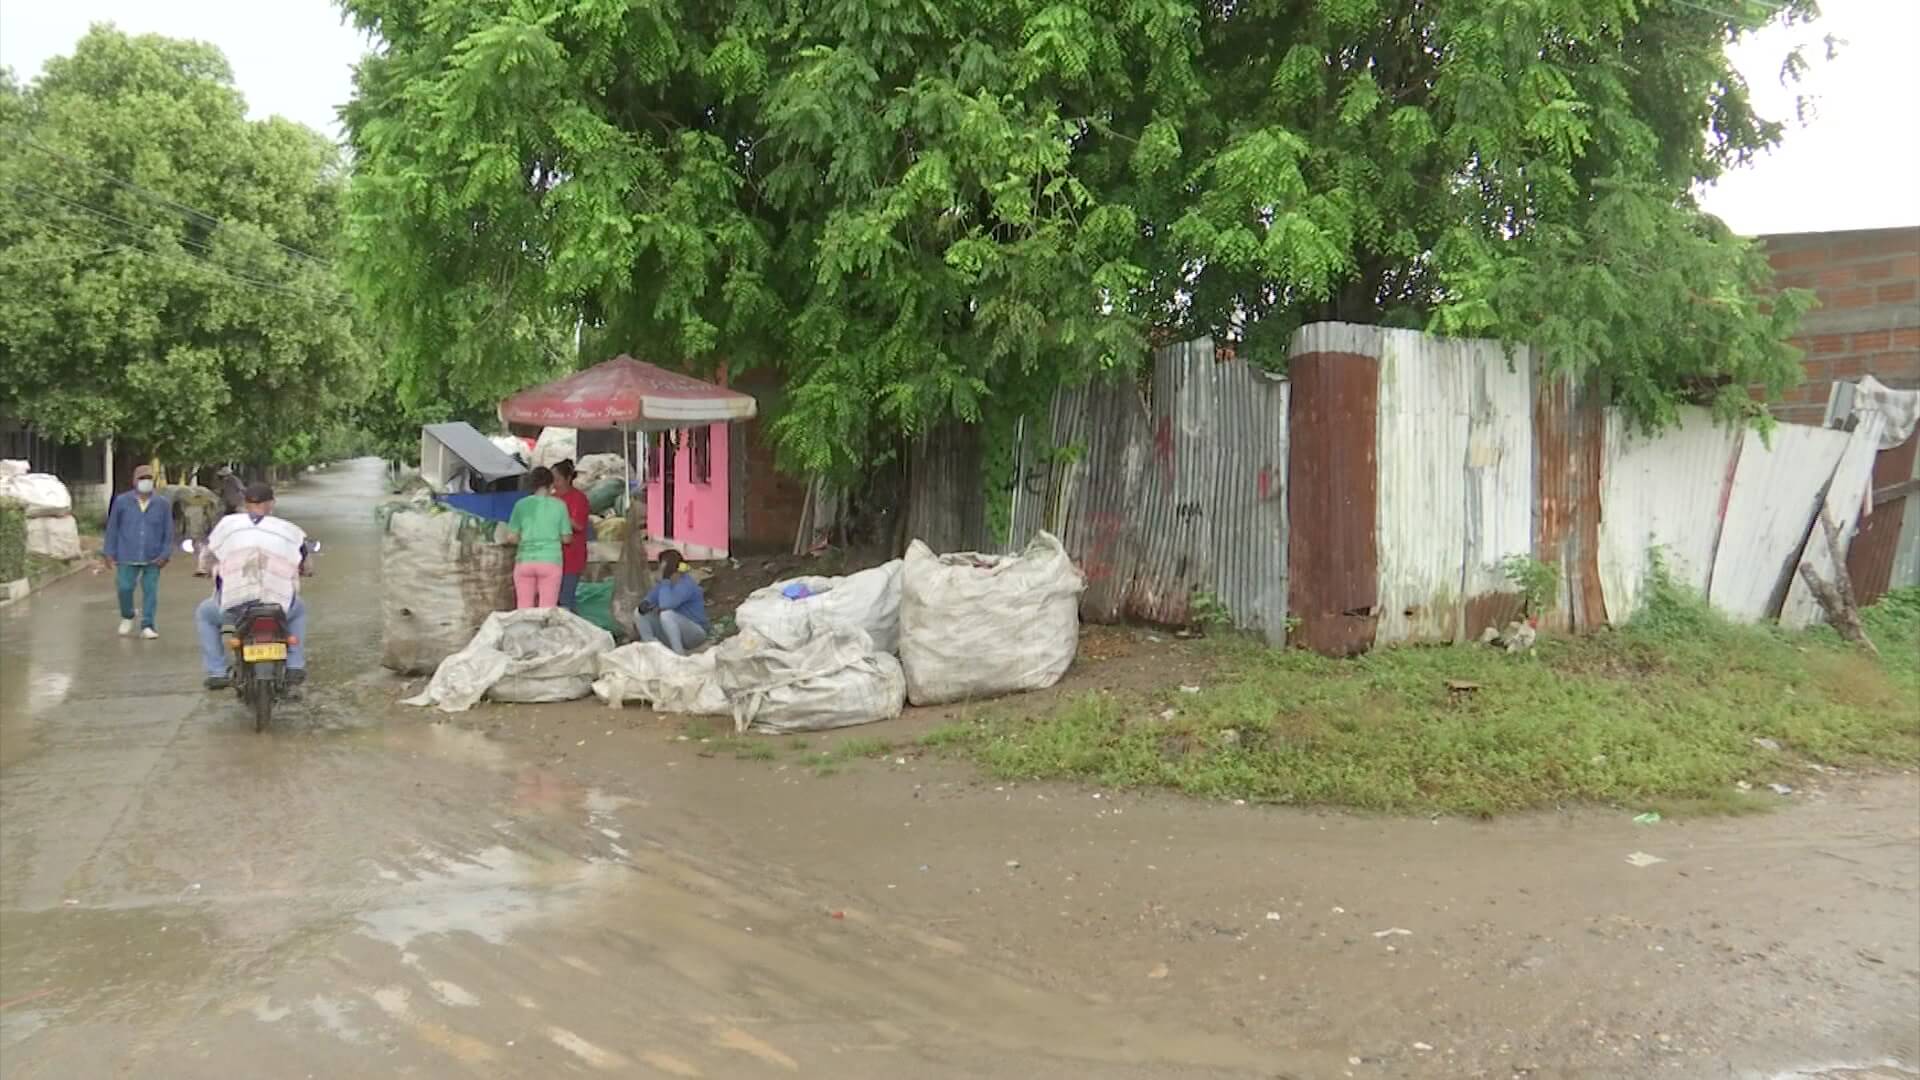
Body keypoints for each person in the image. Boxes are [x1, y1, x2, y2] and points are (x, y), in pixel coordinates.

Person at [197, 482, 312, 689]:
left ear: (246, 503)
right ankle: (295, 665)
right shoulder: (288, 530)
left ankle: (217, 672)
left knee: (205, 614)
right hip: (278, 606)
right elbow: (305, 561)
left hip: (236, 607)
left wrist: (205, 568)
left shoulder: (227, 526)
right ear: (271, 504)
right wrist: (305, 569)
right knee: (300, 610)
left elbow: (207, 555)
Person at [102, 464, 173, 639]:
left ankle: (147, 625)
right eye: (142, 479)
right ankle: (127, 615)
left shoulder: (162, 504)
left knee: (150, 591)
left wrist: (165, 554)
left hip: (153, 556)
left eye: (149, 479)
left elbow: (168, 531)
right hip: (127, 553)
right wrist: (109, 552)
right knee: (124, 587)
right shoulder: (122, 502)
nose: (145, 482)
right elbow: (112, 528)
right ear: (134, 481)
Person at [504, 466, 572, 609]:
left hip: (525, 561)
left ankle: (524, 632)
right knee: (547, 609)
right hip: (550, 560)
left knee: (524, 608)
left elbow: (511, 537)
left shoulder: (520, 505)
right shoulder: (560, 506)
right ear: (551, 484)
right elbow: (567, 538)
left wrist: (526, 539)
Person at [635, 550, 709, 655]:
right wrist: (645, 603)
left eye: (663, 567)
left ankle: (678, 655)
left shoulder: (686, 584)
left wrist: (665, 580)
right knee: (639, 614)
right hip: (675, 631)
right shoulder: (664, 585)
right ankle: (651, 648)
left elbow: (666, 604)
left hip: (695, 634)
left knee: (666, 615)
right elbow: (651, 597)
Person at [550, 459, 592, 612]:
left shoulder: (579, 498)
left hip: (572, 557)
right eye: (552, 479)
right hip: (552, 556)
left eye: (557, 479)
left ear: (568, 479)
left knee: (566, 598)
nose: (554, 483)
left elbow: (579, 525)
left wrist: (560, 515)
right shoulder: (550, 499)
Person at [196, 466, 247, 577]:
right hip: (229, 507)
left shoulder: (233, 480)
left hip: (235, 506)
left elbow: (241, 489)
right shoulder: (225, 483)